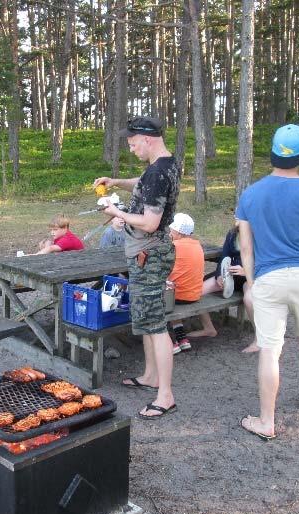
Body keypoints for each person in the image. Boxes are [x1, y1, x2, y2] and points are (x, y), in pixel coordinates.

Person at [236, 124, 299, 440]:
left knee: (269, 349)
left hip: (268, 278)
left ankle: (267, 421)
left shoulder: (250, 194)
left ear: (272, 153)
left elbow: (246, 248)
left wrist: (251, 282)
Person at [95, 116, 179, 420]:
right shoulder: (164, 164)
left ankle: (165, 395)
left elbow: (150, 221)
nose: (131, 149)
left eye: (132, 144)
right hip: (149, 252)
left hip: (150, 254)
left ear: (148, 139)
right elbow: (143, 186)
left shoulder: (159, 172)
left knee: (155, 325)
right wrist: (117, 182)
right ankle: (150, 376)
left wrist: (116, 211)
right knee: (146, 317)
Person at [187, 219, 259, 353]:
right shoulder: (232, 234)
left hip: (250, 277)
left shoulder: (262, 235)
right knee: (195, 291)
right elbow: (224, 256)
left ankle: (259, 339)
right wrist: (219, 275)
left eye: (240, 215)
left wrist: (247, 271)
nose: (236, 218)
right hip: (229, 276)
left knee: (249, 299)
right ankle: (209, 328)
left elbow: (268, 261)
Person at [165, 213, 204, 354]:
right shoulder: (197, 245)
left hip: (178, 296)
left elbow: (161, 269)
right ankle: (182, 338)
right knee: (174, 287)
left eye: (172, 229)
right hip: (194, 295)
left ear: (179, 232)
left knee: (155, 297)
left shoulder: (173, 246)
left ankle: (170, 342)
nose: (169, 231)